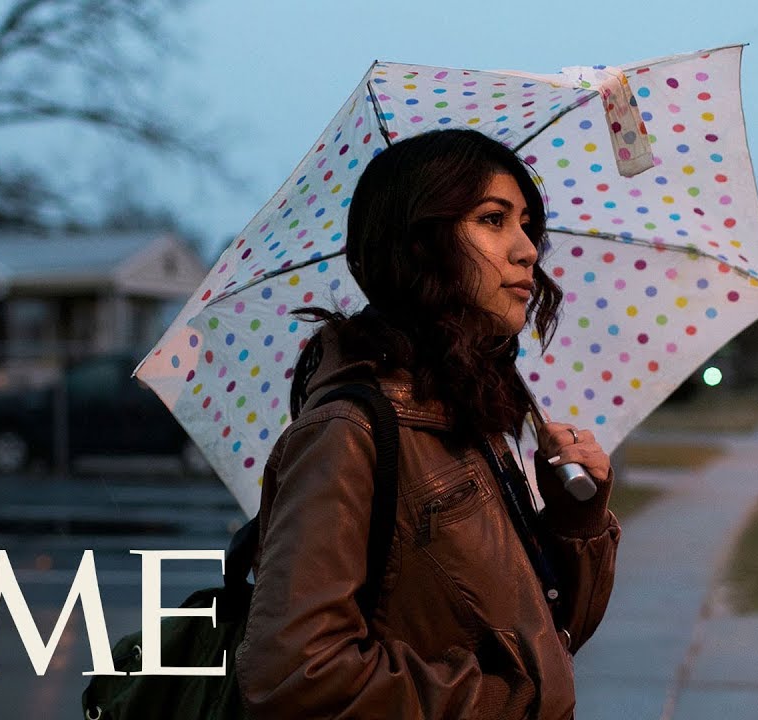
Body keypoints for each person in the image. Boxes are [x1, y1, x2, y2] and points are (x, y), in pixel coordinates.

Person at [235, 128, 620, 719]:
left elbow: (553, 637)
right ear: (420, 244)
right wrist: (513, 702)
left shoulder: (470, 417)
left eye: (526, 225)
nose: (526, 250)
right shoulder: (348, 431)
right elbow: (294, 674)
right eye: (494, 220)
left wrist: (577, 517)